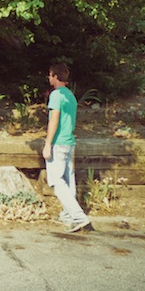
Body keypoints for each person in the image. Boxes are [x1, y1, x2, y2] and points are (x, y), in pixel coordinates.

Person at [42, 63, 92, 233]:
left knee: (56, 181)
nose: (49, 78)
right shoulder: (70, 95)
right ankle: (68, 215)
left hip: (59, 142)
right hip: (70, 141)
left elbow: (54, 120)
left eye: (50, 75)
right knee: (68, 180)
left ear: (55, 76)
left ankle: (79, 217)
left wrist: (48, 143)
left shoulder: (56, 95)